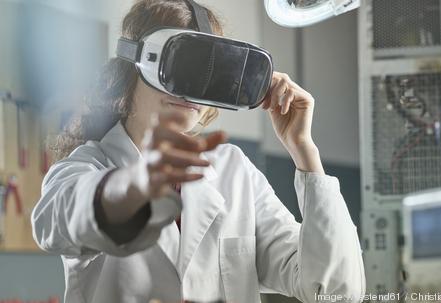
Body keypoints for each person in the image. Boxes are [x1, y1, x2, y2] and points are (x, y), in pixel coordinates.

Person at [31, 0, 365, 302]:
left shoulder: (234, 171)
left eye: (210, 73)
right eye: (182, 64)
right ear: (134, 67)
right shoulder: (89, 166)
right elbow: (55, 223)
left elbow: (333, 292)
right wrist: (134, 186)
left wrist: (304, 151)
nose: (192, 91)